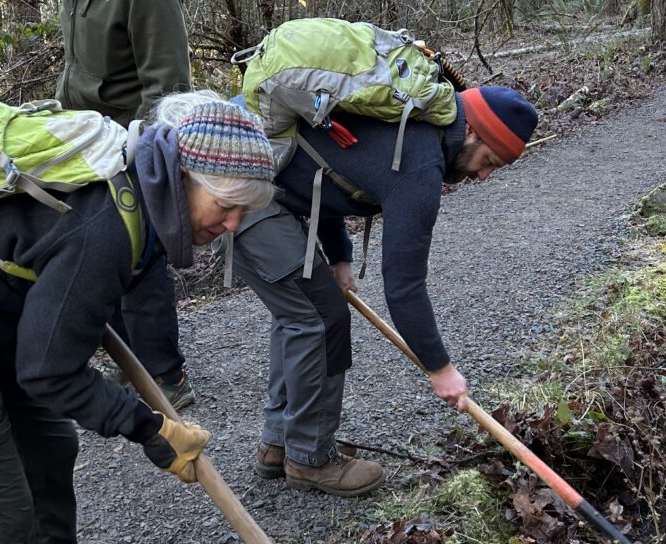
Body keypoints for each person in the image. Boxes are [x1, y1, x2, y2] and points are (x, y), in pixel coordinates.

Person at [0, 92, 275, 543]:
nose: (234, 224)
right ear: (182, 176)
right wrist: (151, 428)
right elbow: (48, 374)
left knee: (49, 453)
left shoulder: (143, 197)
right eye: (226, 206)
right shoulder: (105, 229)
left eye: (245, 210)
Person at [230, 86, 538, 497]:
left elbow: (325, 168)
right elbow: (405, 285)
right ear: (471, 133)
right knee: (319, 317)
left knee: (305, 312)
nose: (483, 175)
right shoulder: (420, 164)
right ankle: (309, 458)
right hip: (237, 188)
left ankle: (280, 442)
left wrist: (339, 258)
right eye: (489, 161)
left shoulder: (408, 131)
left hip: (254, 179)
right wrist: (440, 368)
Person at [56, 0, 197, 409]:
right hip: (85, 146)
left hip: (128, 145)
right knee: (102, 256)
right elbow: (75, 73)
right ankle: (132, 362)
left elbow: (168, 83)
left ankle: (167, 376)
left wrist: (141, 158)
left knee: (141, 261)